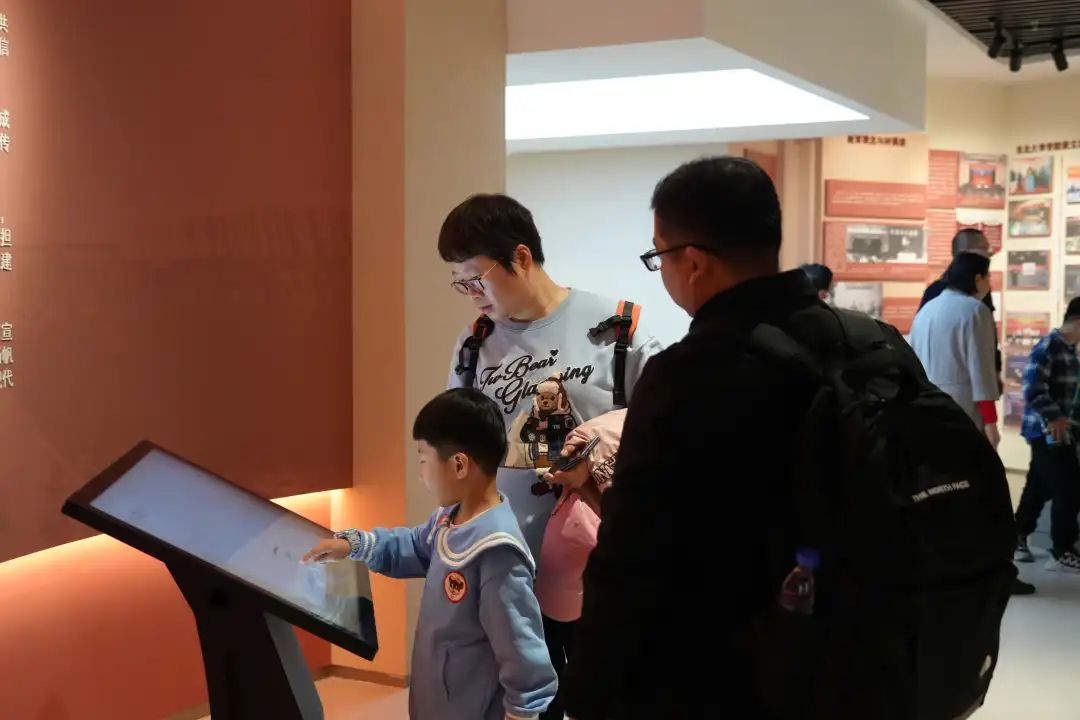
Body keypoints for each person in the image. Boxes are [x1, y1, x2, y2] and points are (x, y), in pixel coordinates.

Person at [561, 157, 859, 717]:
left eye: (659, 255)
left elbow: (632, 556)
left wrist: (590, 691)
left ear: (693, 262)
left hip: (729, 673)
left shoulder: (687, 377)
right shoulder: (869, 343)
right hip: (860, 655)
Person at [439, 194, 664, 719]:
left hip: (598, 566)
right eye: (460, 283)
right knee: (523, 704)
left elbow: (665, 434)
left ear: (520, 257)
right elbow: (457, 451)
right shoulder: (474, 346)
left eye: (476, 278)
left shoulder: (619, 328)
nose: (472, 296)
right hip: (506, 565)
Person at [302, 388, 557, 720]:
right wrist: (355, 544)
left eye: (423, 460)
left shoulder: (497, 552)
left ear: (459, 465)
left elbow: (523, 653)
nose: (421, 472)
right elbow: (412, 546)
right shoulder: (448, 519)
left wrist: (522, 713)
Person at [1014, 298, 1080, 573]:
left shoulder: (1070, 350)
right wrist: (1054, 416)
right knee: (1069, 488)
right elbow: (1031, 388)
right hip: (1045, 431)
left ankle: (1017, 536)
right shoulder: (1050, 346)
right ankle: (1061, 551)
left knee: (1039, 486)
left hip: (1061, 432)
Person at [910, 252, 1001, 449]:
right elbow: (981, 370)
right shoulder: (975, 310)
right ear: (977, 279)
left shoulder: (926, 311)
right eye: (988, 277)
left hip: (926, 407)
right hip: (963, 407)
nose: (989, 284)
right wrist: (991, 423)